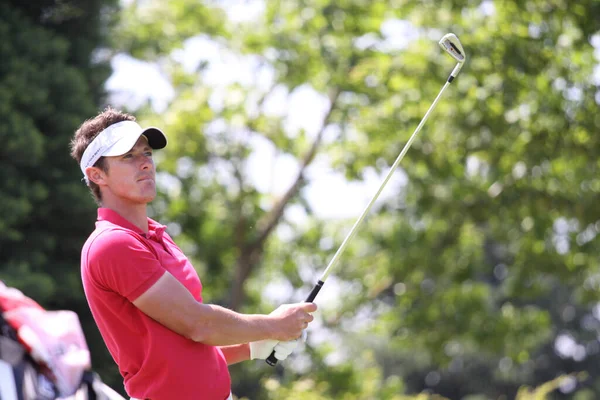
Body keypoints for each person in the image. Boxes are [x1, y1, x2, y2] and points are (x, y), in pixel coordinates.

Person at [69, 107, 317, 400]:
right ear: (97, 175)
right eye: (128, 156)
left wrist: (255, 344)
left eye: (147, 153)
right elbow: (198, 325)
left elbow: (185, 353)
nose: (145, 163)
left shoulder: (156, 236)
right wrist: (274, 325)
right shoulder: (112, 245)